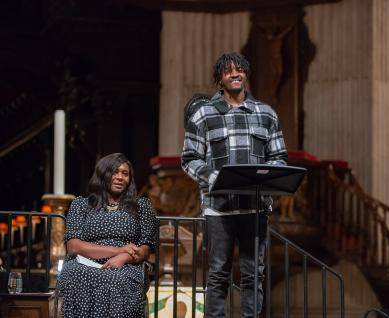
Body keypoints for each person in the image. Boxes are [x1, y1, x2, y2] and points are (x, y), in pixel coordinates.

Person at [181, 52, 287, 317]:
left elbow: (279, 157)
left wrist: (270, 175)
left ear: (246, 74)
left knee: (254, 275)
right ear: (220, 78)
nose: (235, 74)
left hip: (254, 208)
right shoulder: (204, 114)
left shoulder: (266, 113)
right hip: (219, 209)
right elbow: (189, 158)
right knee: (218, 274)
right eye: (228, 71)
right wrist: (214, 177)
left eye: (239, 69)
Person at [57, 153, 158, 318]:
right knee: (75, 274)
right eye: (114, 172)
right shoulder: (81, 204)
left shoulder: (142, 206)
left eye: (125, 173)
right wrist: (118, 251)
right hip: (84, 262)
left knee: (117, 280)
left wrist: (124, 258)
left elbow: (145, 249)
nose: (120, 177)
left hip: (127, 265)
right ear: (102, 175)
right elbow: (73, 246)